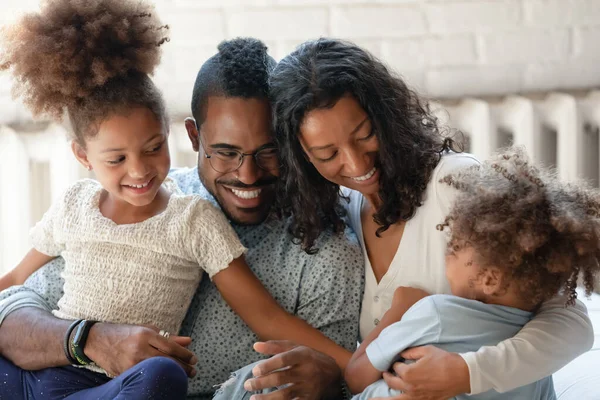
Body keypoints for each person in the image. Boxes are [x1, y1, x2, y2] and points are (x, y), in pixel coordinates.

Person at [0, 16, 363, 400]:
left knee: (161, 374)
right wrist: (90, 339)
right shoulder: (123, 201)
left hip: (140, 389)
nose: (249, 175)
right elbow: (14, 305)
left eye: (268, 151)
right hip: (54, 376)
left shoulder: (325, 256)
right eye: (226, 153)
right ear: (193, 136)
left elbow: (293, 338)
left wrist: (348, 375)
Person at [269, 38, 594, 399]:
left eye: (365, 135)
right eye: (328, 154)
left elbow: (572, 321)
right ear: (303, 160)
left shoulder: (456, 188)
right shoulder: (338, 218)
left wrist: (466, 373)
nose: (357, 164)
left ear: (386, 117)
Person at [345, 147, 600, 399]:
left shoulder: (436, 315)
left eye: (454, 247)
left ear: (489, 279)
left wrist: (397, 312)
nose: (445, 253)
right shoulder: (537, 360)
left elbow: (356, 378)